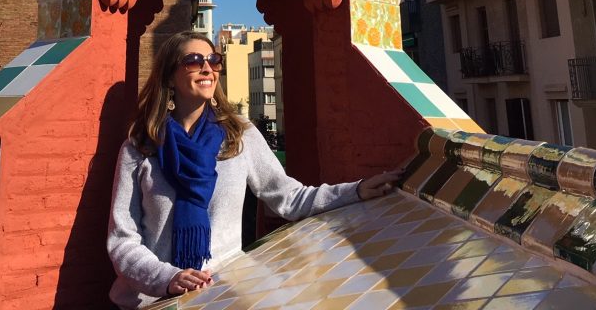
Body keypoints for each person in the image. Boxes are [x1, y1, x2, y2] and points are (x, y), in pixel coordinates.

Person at [107, 31, 401, 308]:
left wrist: (358, 190)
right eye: (193, 61)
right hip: (155, 300)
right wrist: (167, 277)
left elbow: (290, 198)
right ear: (170, 76)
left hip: (222, 295)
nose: (207, 68)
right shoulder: (141, 146)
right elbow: (123, 240)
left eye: (214, 61)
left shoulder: (238, 135)